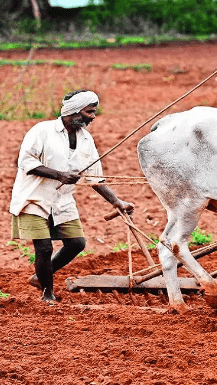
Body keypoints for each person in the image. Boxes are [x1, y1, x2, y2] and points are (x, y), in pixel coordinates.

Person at [9, 89, 134, 303]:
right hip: (34, 198)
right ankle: (47, 293)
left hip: (62, 201)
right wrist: (59, 175)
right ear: (74, 111)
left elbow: (94, 177)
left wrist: (116, 201)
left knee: (76, 243)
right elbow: (26, 162)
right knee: (44, 247)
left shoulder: (86, 139)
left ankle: (40, 277)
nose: (93, 116)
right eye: (89, 111)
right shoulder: (42, 131)